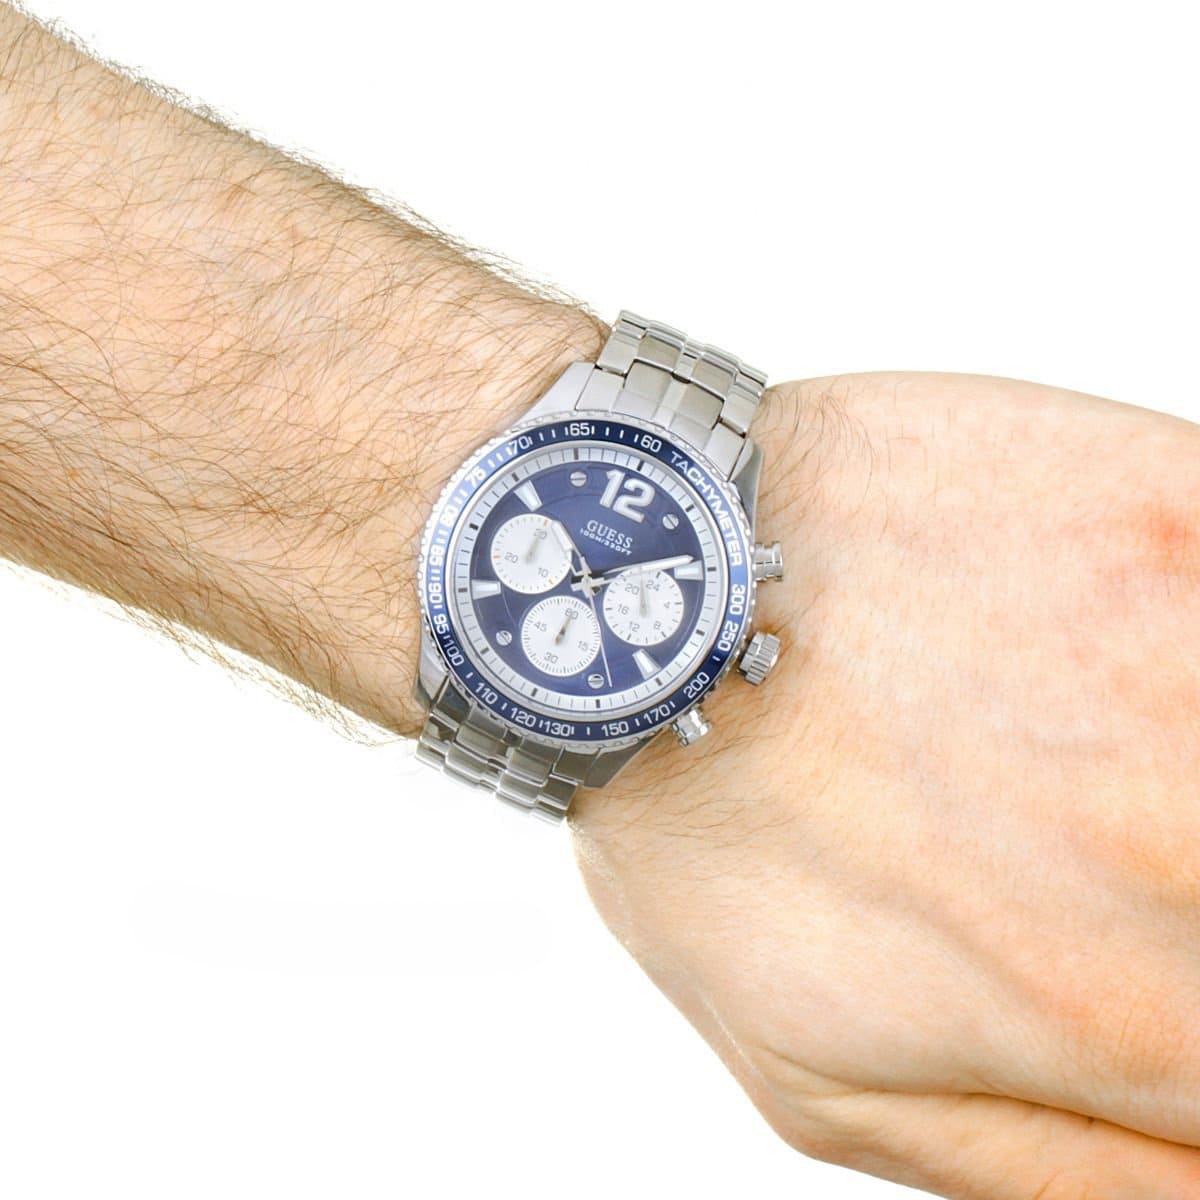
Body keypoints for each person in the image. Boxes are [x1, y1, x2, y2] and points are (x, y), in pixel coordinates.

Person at [2, 7, 1199, 1198]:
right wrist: (398, 473)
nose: (583, 582)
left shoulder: (689, 598)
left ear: (741, 614)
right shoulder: (569, 584)